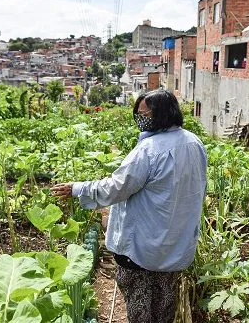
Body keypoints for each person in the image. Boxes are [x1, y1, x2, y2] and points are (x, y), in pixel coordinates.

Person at [51, 89, 207, 323]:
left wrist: (78, 188)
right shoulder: (194, 143)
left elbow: (116, 187)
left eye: (145, 114)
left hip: (140, 249)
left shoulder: (149, 150)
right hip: (175, 246)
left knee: (140, 309)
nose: (141, 119)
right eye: (139, 114)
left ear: (163, 113)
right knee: (164, 306)